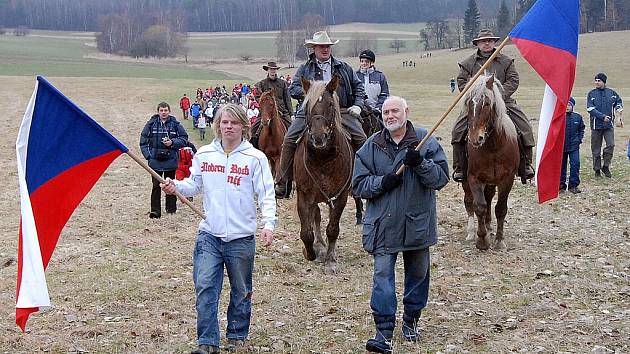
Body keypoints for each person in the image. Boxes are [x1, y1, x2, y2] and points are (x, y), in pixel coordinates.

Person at [160, 103, 276, 354]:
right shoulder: (204, 155)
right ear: (218, 125)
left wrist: (268, 223)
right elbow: (193, 185)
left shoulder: (255, 158)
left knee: (241, 289)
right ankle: (207, 342)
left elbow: (266, 193)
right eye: (225, 122)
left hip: (241, 237)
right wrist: (175, 186)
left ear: (244, 126)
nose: (229, 127)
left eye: (234, 122)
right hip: (209, 235)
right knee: (205, 287)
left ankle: (236, 334)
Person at [352, 96, 449, 353]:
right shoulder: (371, 146)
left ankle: (411, 321)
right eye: (386, 112)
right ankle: (383, 331)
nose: (390, 116)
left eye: (395, 110)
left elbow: (440, 179)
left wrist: (420, 164)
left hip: (416, 223)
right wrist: (381, 183)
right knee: (382, 276)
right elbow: (358, 184)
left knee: (418, 276)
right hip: (382, 225)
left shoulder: (424, 140)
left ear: (407, 111)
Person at [275, 30, 366, 198]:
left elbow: (359, 87)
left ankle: (361, 179)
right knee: (288, 139)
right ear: (314, 48)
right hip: (310, 111)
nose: (325, 49)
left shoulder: (344, 67)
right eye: (321, 46)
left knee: (361, 139)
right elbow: (294, 88)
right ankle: (283, 181)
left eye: (328, 46)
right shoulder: (305, 68)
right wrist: (314, 94)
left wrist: (358, 105)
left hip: (340, 110)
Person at [451, 29, 535, 183]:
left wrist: (498, 97)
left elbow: (513, 80)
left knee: (524, 127)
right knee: (457, 131)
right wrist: (475, 95)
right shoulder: (468, 63)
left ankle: (525, 164)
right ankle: (460, 167)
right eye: (483, 41)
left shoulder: (506, 61)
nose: (487, 43)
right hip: (476, 104)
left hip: (503, 102)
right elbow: (462, 82)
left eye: (490, 40)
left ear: (495, 42)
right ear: (477, 43)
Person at [139, 102, 189, 218]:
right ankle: (155, 211)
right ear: (158, 111)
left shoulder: (175, 124)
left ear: (169, 111)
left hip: (170, 160)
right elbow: (143, 141)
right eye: (161, 110)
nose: (163, 112)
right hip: (155, 161)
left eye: (166, 110)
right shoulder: (151, 124)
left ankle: (171, 209)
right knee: (156, 186)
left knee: (171, 185)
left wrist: (172, 143)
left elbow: (184, 139)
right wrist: (149, 156)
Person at [586, 72, 624, 178]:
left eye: (599, 81)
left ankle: (606, 166)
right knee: (596, 149)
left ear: (604, 82)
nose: (597, 82)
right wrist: (603, 117)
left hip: (609, 126)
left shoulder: (612, 93)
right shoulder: (591, 94)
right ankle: (597, 169)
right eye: (596, 80)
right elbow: (590, 109)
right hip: (596, 125)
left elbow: (618, 102)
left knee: (611, 145)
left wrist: (619, 108)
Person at [250, 61, 294, 146]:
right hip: (266, 111)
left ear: (276, 70)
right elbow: (257, 97)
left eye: (274, 69)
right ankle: (254, 148)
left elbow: (287, 99)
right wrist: (264, 102)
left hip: (282, 111)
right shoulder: (262, 84)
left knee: (292, 130)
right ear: (268, 70)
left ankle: (291, 149)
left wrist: (291, 113)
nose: (273, 71)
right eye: (271, 69)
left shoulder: (282, 83)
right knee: (254, 129)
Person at [560, 97, 585, 194]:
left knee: (575, 164)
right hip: (562, 147)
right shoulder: (560, 117)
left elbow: (581, 129)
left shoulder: (577, 117)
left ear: (572, 106)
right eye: (565, 104)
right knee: (562, 166)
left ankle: (573, 185)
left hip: (574, 146)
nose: (567, 106)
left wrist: (579, 139)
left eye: (569, 104)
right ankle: (561, 186)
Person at [355, 49, 390, 119]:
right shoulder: (355, 76)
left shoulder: (380, 76)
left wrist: (378, 108)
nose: (364, 63)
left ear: (372, 62)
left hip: (377, 112)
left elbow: (384, 94)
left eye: (366, 61)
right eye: (362, 61)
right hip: (359, 112)